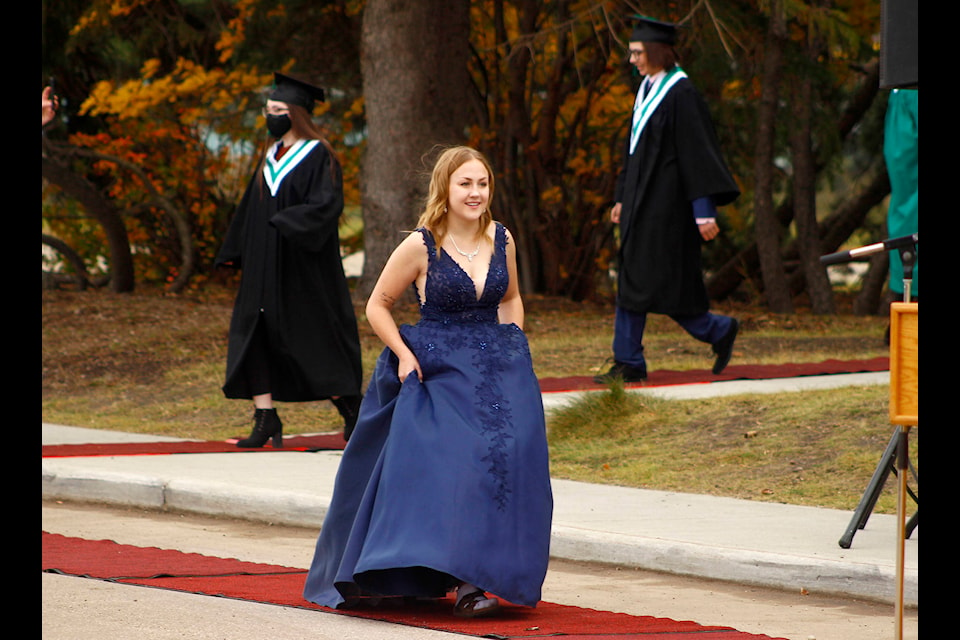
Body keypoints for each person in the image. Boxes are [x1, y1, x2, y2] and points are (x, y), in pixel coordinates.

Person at [302, 146, 553, 618]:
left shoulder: (502, 238)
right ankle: (464, 583)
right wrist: (402, 353)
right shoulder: (421, 245)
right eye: (466, 184)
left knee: (511, 459)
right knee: (461, 465)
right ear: (445, 188)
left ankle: (493, 572)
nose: (475, 193)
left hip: (498, 369)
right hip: (435, 368)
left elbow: (513, 297)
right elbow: (378, 304)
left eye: (482, 184)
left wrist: (514, 338)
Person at [216, 72, 363, 447]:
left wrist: (285, 222)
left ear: (296, 113)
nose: (271, 116)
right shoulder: (269, 156)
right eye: (267, 110)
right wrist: (236, 250)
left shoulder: (319, 155)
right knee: (255, 336)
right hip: (263, 266)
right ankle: (265, 417)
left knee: (310, 338)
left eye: (278, 109)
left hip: (302, 268)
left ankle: (352, 409)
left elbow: (327, 206)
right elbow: (251, 210)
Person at [595, 17, 741, 384]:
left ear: (658, 51)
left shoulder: (682, 93)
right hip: (640, 207)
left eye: (638, 52)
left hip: (669, 211)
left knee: (662, 287)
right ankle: (628, 361)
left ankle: (716, 330)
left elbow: (699, 156)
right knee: (632, 280)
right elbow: (633, 152)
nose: (632, 59)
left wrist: (704, 212)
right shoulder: (646, 88)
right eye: (631, 52)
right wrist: (621, 197)